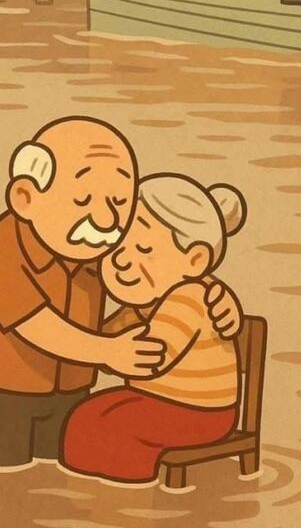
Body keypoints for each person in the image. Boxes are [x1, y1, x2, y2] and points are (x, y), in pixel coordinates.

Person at [0, 117, 243, 468]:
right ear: (26, 198)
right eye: (84, 199)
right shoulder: (4, 249)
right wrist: (108, 350)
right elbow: (36, 325)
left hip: (69, 389)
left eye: (118, 202)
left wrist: (215, 295)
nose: (105, 220)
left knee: (64, 465)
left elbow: (159, 291)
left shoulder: (100, 249)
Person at [61, 175, 246, 483]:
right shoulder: (147, 301)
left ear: (195, 259)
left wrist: (112, 352)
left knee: (108, 425)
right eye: (120, 244)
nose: (121, 259)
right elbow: (109, 335)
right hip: (155, 401)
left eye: (143, 247)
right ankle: (100, 487)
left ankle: (133, 490)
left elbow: (154, 354)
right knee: (86, 416)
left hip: (199, 412)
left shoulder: (190, 296)